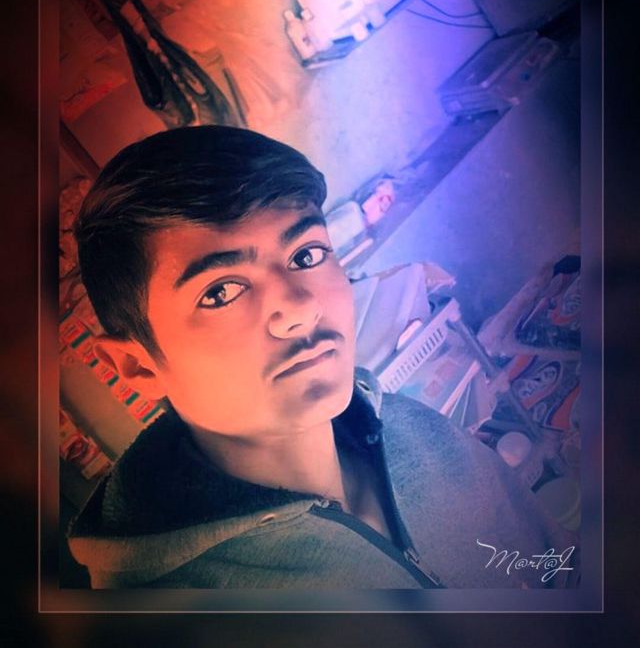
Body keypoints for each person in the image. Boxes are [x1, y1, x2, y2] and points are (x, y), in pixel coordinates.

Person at [67, 125, 578, 589]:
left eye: (306, 255)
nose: (299, 307)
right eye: (221, 291)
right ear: (138, 365)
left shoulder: (414, 431)